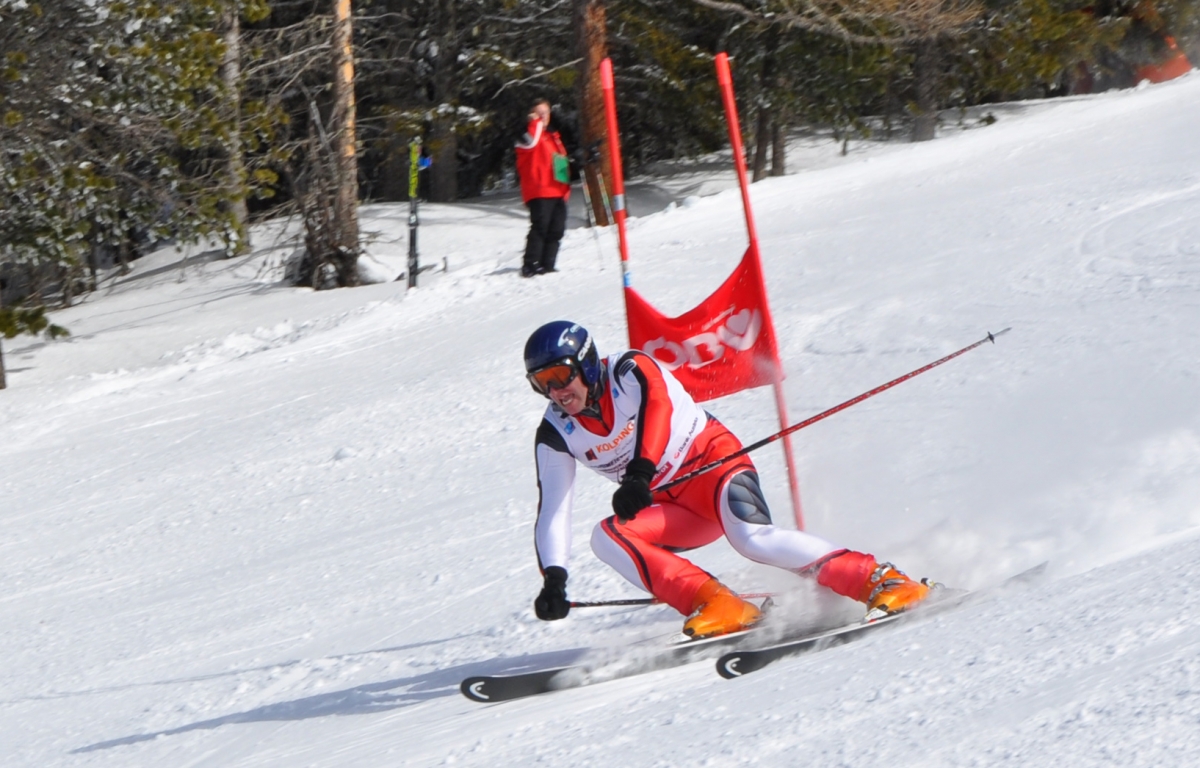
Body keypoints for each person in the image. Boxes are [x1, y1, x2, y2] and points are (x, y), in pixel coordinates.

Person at [524, 320, 934, 639]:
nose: (556, 391)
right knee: (607, 536)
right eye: (542, 384)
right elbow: (554, 509)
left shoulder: (630, 370)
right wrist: (555, 578)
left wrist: (639, 473)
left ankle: (882, 580)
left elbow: (659, 409)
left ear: (587, 363)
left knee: (752, 538)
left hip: (714, 464)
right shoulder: (556, 431)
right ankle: (718, 605)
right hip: (674, 504)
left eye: (560, 375)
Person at [514, 100, 571, 278]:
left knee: (557, 229)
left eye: (546, 112)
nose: (543, 117)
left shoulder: (552, 136)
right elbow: (530, 143)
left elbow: (560, 161)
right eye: (539, 113)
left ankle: (548, 264)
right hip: (539, 189)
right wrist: (534, 122)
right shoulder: (526, 133)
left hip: (557, 189)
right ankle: (531, 264)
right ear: (532, 115)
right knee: (540, 226)